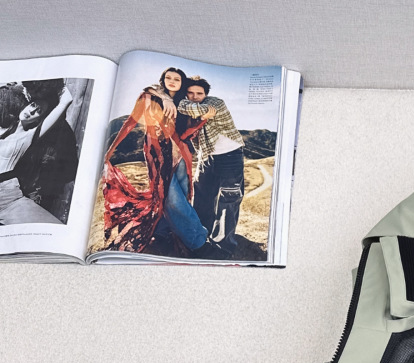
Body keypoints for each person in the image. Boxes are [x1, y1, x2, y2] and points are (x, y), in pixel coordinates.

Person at [99, 69, 210, 253]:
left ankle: (165, 231)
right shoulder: (149, 98)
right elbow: (130, 122)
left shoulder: (183, 103)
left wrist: (201, 121)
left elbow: (185, 134)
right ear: (162, 80)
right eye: (168, 78)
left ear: (182, 83)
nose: (172, 81)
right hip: (158, 156)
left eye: (177, 79)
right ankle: (198, 241)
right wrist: (111, 149)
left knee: (181, 197)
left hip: (181, 156)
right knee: (171, 199)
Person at [176, 76, 246, 257]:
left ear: (206, 94)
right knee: (202, 197)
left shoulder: (215, 103)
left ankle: (223, 247)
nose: (194, 97)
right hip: (206, 157)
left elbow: (200, 110)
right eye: (190, 93)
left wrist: (180, 101)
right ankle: (200, 239)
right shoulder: (190, 111)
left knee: (228, 200)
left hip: (230, 156)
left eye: (199, 93)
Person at [0, 81, 72, 226]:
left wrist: (56, 85)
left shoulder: (30, 136)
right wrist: (27, 87)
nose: (32, 111)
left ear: (39, 119)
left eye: (38, 111)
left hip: (7, 198)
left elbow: (66, 100)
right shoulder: (3, 127)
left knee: (53, 229)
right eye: (33, 105)